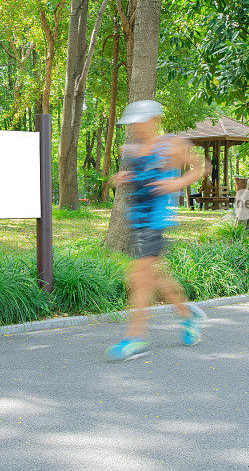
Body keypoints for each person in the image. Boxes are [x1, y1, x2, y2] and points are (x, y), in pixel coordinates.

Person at [105, 100, 208, 361]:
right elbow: (137, 179)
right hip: (136, 220)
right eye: (132, 124)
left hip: (156, 220)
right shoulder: (130, 150)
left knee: (139, 277)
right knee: (155, 276)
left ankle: (136, 338)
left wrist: (176, 182)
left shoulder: (171, 145)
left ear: (153, 120)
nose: (135, 128)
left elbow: (201, 168)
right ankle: (187, 315)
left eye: (140, 122)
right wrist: (122, 178)